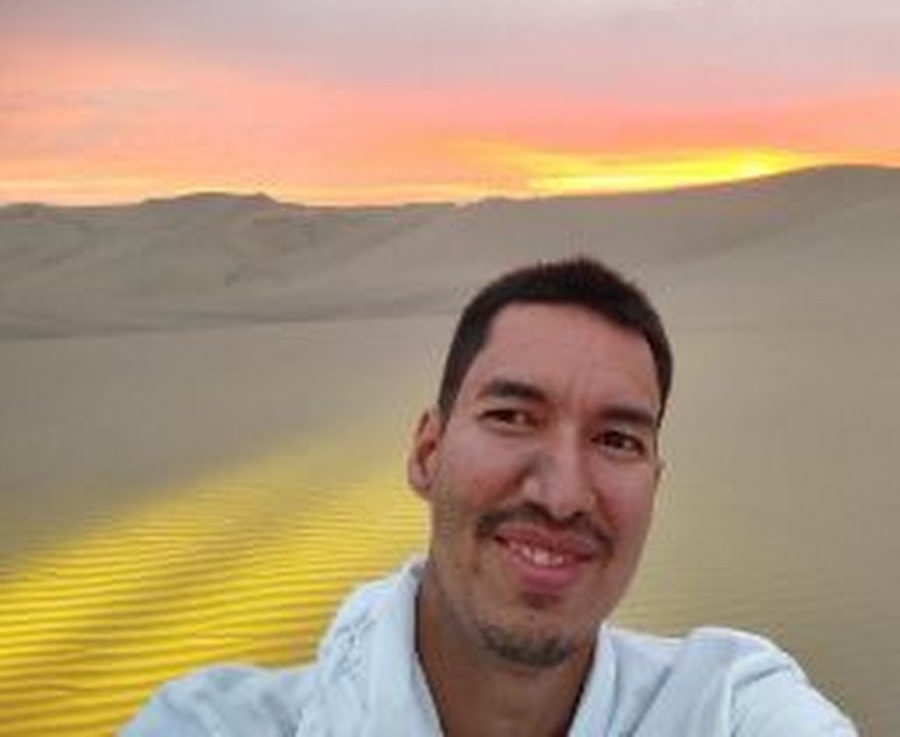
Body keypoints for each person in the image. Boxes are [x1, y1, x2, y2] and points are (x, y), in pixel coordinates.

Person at [124, 257, 857, 735]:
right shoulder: (214, 726)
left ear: (654, 490)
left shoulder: (725, 706)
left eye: (617, 440)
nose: (564, 495)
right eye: (512, 417)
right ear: (428, 453)